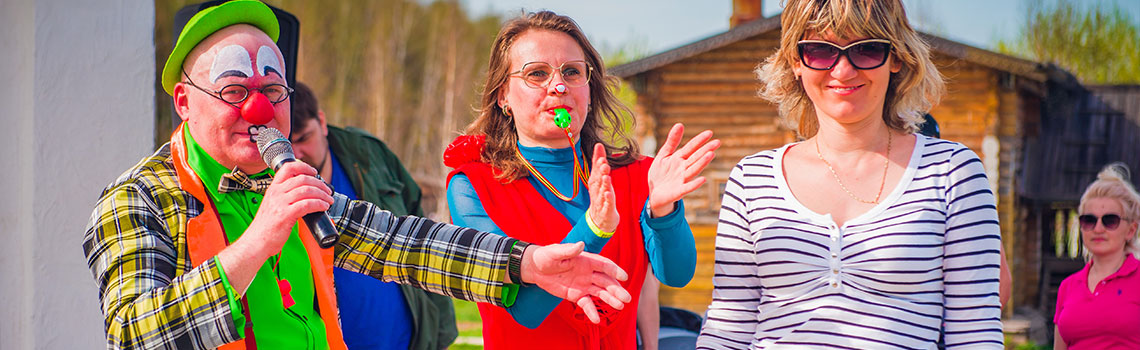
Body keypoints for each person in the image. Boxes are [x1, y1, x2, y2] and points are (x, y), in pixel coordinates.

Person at [81, 2, 632, 349]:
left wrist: (526, 261)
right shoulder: (137, 200)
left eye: (272, 92)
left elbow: (405, 245)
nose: (258, 110)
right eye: (233, 92)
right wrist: (256, 242)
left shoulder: (288, 185)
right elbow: (137, 336)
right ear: (184, 101)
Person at [696, 0, 1004, 349]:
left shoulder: (952, 172)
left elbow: (976, 332)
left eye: (867, 49)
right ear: (796, 62)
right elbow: (727, 328)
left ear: (897, 58)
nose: (843, 70)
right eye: (820, 51)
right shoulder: (751, 179)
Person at [443, 10, 721, 350]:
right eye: (537, 74)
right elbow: (523, 310)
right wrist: (593, 228)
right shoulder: (472, 185)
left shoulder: (637, 175)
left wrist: (663, 212)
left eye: (572, 72)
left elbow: (678, 274)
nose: (558, 86)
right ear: (503, 96)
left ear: (589, 89)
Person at [288, 81, 456, 350]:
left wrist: (442, 332)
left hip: (409, 341)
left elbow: (420, 230)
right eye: (288, 145)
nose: (297, 154)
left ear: (322, 122)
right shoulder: (272, 186)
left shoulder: (368, 154)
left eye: (304, 138)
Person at [1053, 163, 1140, 350]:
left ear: (1131, 230)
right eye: (1089, 220)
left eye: (1110, 221)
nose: (1098, 229)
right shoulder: (1067, 287)